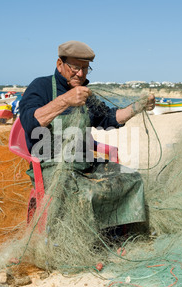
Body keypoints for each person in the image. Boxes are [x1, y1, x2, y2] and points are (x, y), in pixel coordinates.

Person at [19, 40, 155, 233]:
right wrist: (65, 100)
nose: (80, 74)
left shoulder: (85, 94)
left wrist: (137, 107)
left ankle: (116, 232)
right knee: (79, 191)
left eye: (85, 68)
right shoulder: (40, 87)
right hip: (51, 165)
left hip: (85, 163)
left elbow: (108, 118)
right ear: (60, 64)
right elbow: (30, 121)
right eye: (75, 67)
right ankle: (68, 238)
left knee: (132, 179)